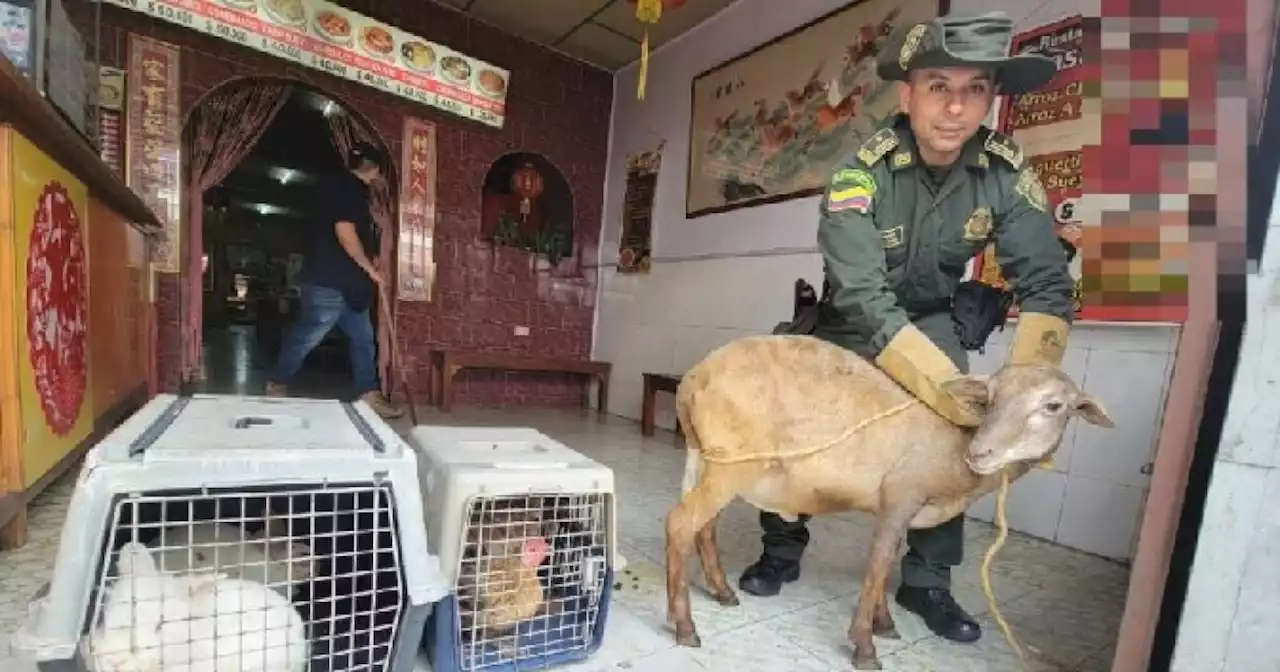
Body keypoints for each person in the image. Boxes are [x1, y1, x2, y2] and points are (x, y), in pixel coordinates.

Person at [738, 12, 1075, 645]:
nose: (954, 107)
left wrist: (1023, 387)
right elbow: (863, 293)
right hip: (849, 318)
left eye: (974, 89)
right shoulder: (859, 171)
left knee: (956, 436)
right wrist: (936, 380)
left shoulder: (1005, 172)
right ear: (908, 95)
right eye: (938, 86)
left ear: (990, 100)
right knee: (796, 422)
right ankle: (781, 549)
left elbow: (1048, 284)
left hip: (932, 318)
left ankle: (927, 581)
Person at [265, 141, 404, 420]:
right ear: (375, 169)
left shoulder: (356, 192)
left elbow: (356, 235)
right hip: (328, 280)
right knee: (310, 334)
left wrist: (372, 259)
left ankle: (369, 393)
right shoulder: (342, 187)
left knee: (363, 339)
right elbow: (344, 231)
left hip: (352, 285)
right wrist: (370, 268)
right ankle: (277, 382)